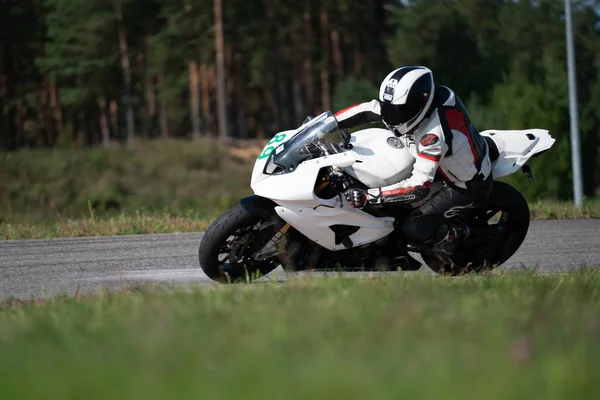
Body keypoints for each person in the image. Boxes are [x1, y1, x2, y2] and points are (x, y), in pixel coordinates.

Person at [336, 66, 493, 255]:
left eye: (399, 112)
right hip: (440, 166)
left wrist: (368, 196)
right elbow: (369, 109)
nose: (393, 118)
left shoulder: (433, 135)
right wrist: (323, 123)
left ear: (421, 102)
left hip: (466, 184)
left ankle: (456, 235)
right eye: (390, 110)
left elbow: (418, 187)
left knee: (414, 228)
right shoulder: (406, 107)